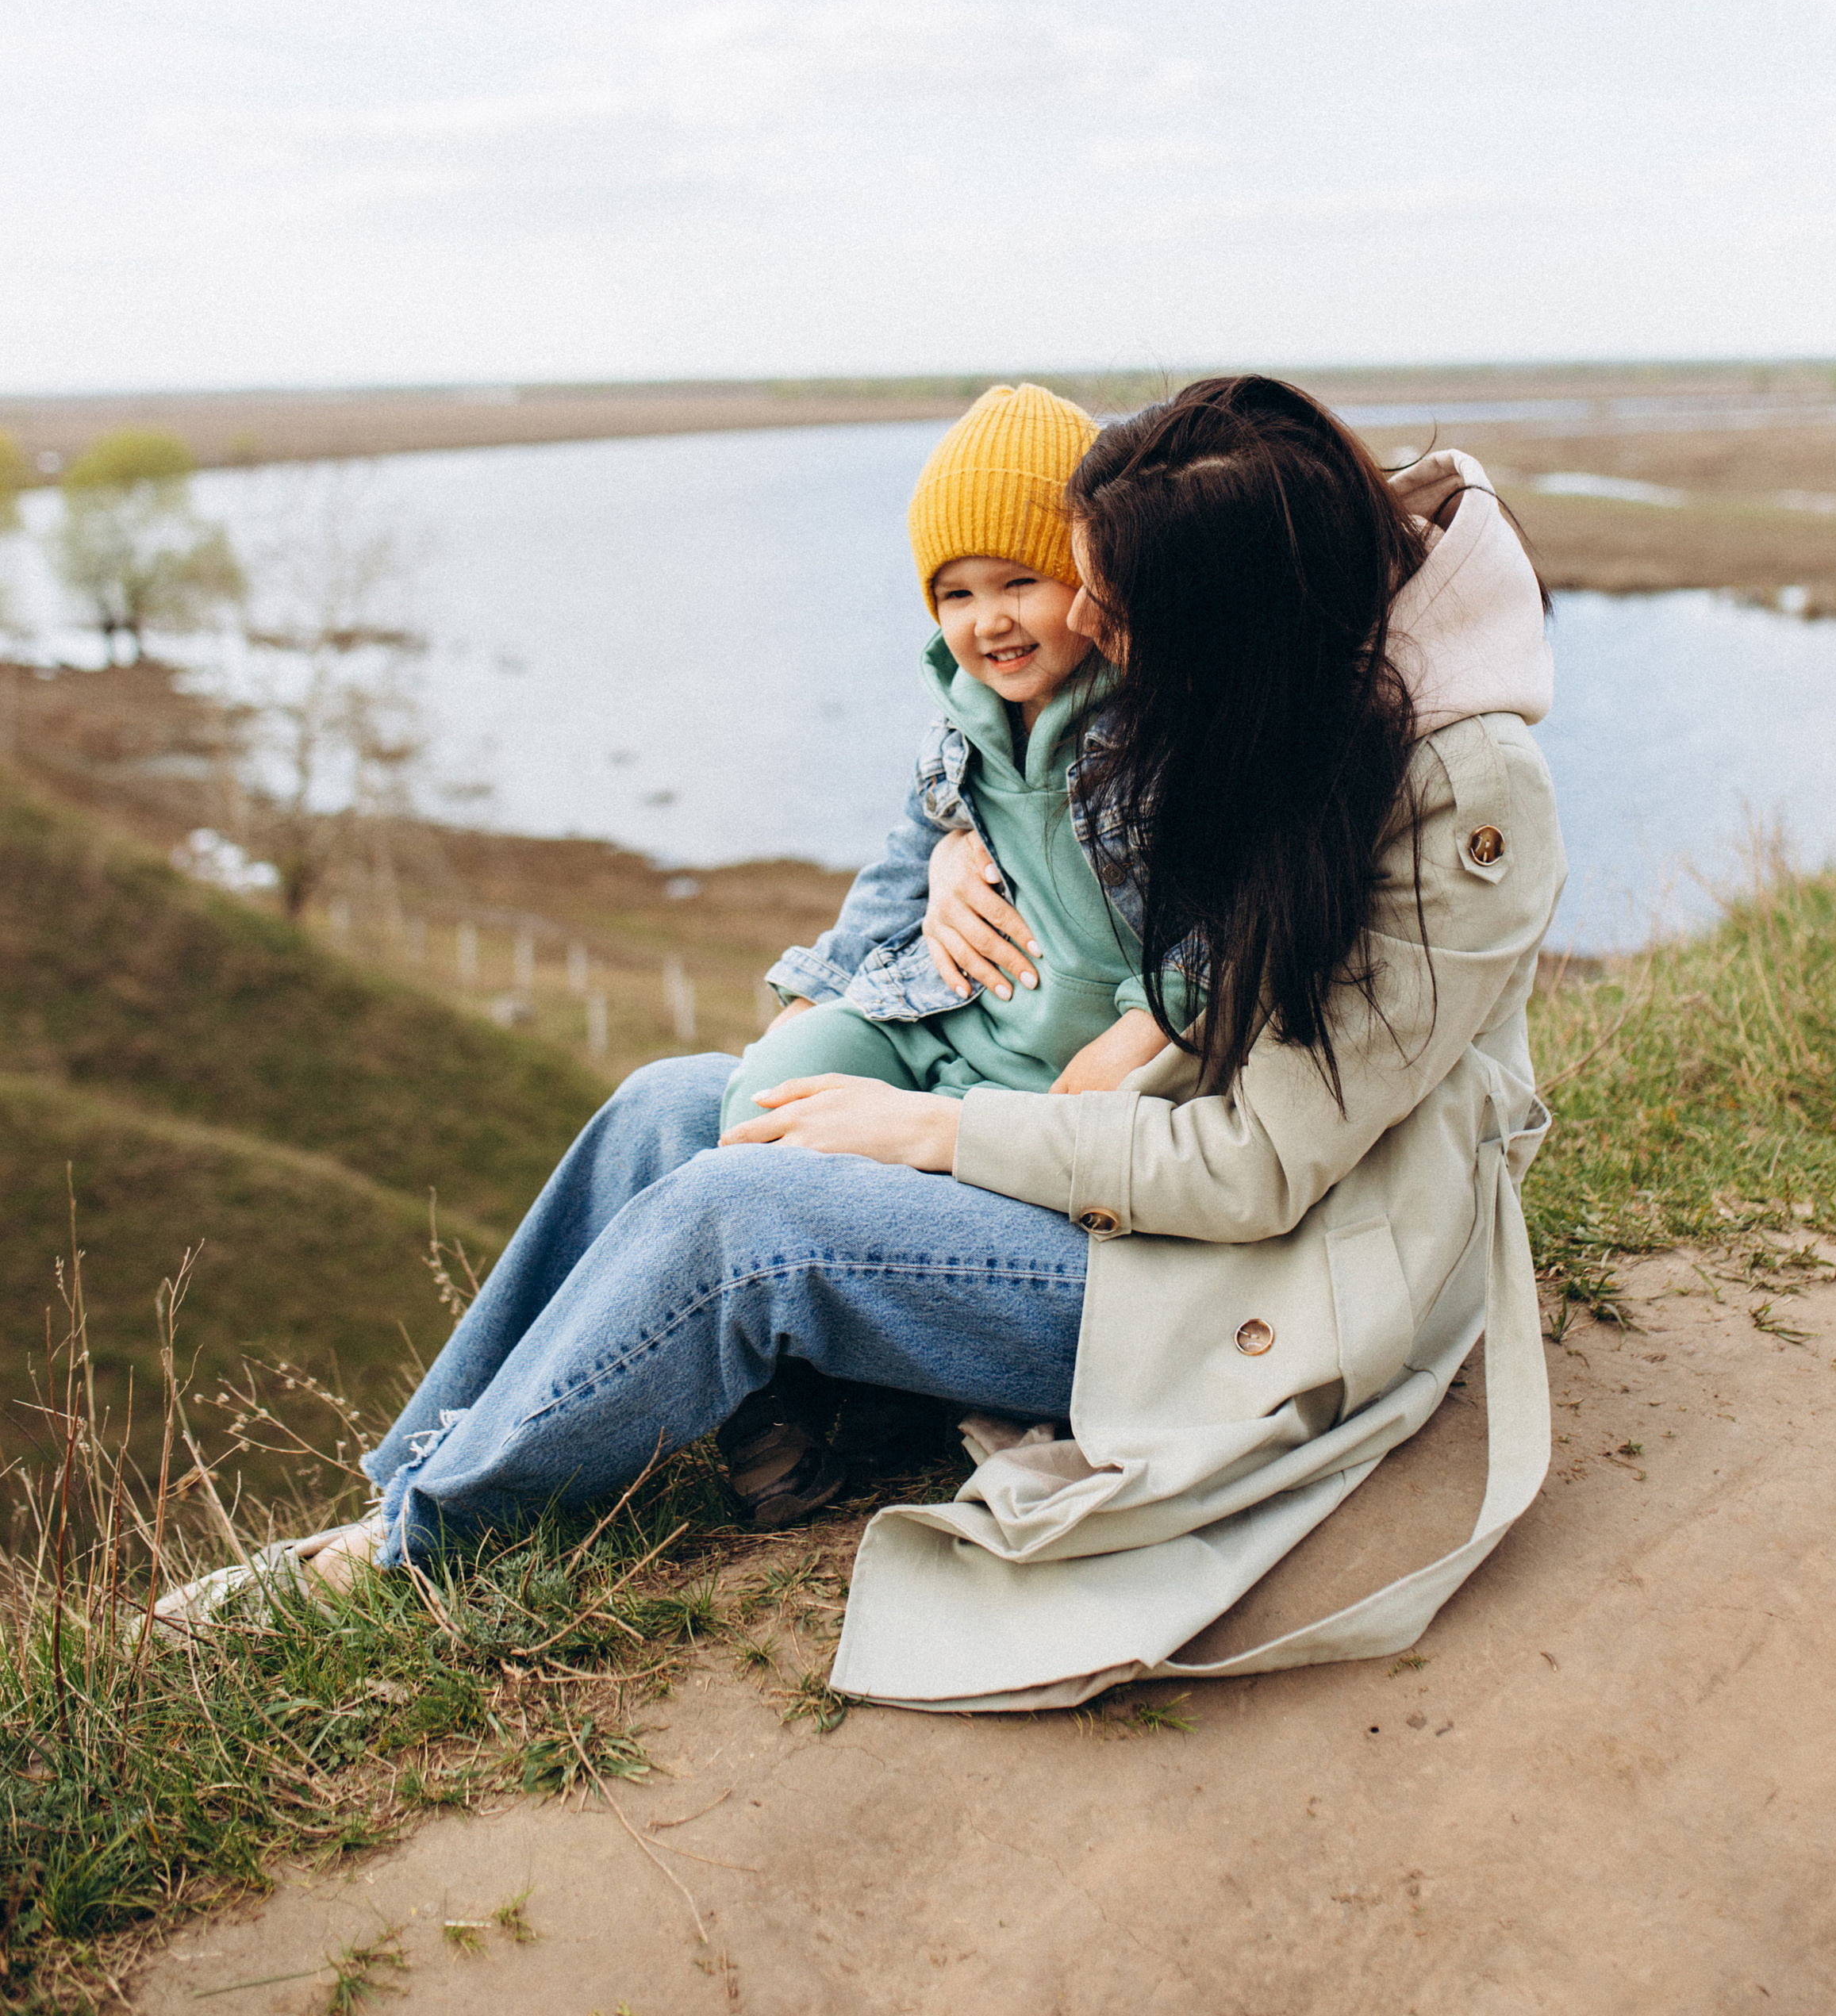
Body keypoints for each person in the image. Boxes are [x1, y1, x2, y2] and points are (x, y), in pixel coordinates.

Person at [321, 378, 1561, 1715]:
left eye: (1116, 613)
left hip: (1254, 1274)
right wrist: (949, 876)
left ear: (1226, 628)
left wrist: (934, 1134)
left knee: (752, 1219)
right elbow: (1075, 848)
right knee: (670, 1108)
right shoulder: (1279, 670)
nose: (1085, 633)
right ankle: (394, 1491)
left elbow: (1261, 1167)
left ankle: (418, 1546)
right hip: (1111, 1158)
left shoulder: (1459, 799)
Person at [721, 379, 1186, 1149]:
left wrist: (1143, 1027)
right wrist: (819, 991)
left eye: (1019, 582)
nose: (989, 620)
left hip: (1078, 1059)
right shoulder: (958, 728)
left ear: (1089, 578)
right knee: (768, 1093)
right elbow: (903, 866)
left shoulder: (1153, 727)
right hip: (954, 1016)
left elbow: (1224, 915)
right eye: (956, 594)